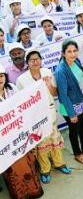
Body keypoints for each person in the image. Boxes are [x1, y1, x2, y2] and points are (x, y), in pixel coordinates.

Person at [16, 48, 72, 183]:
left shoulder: (47, 72)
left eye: (37, 59)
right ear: (27, 63)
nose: (35, 62)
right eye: (32, 60)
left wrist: (48, 84)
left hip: (50, 110)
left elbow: (54, 93)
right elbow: (20, 101)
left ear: (41, 60)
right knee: (41, 141)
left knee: (54, 138)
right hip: (35, 115)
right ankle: (45, 169)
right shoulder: (21, 79)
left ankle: (59, 163)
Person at [1, 63, 44, 199]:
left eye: (1, 76)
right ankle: (20, 195)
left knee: (27, 160)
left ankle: (34, 189)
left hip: (19, 132)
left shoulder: (11, 88)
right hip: (5, 140)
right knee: (12, 168)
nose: (0, 79)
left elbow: (22, 106)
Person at [55, 39, 83, 165]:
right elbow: (62, 95)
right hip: (70, 107)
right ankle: (78, 153)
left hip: (82, 102)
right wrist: (72, 113)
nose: (73, 54)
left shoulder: (77, 61)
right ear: (63, 53)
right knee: (74, 131)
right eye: (69, 52)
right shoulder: (60, 71)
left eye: (75, 51)